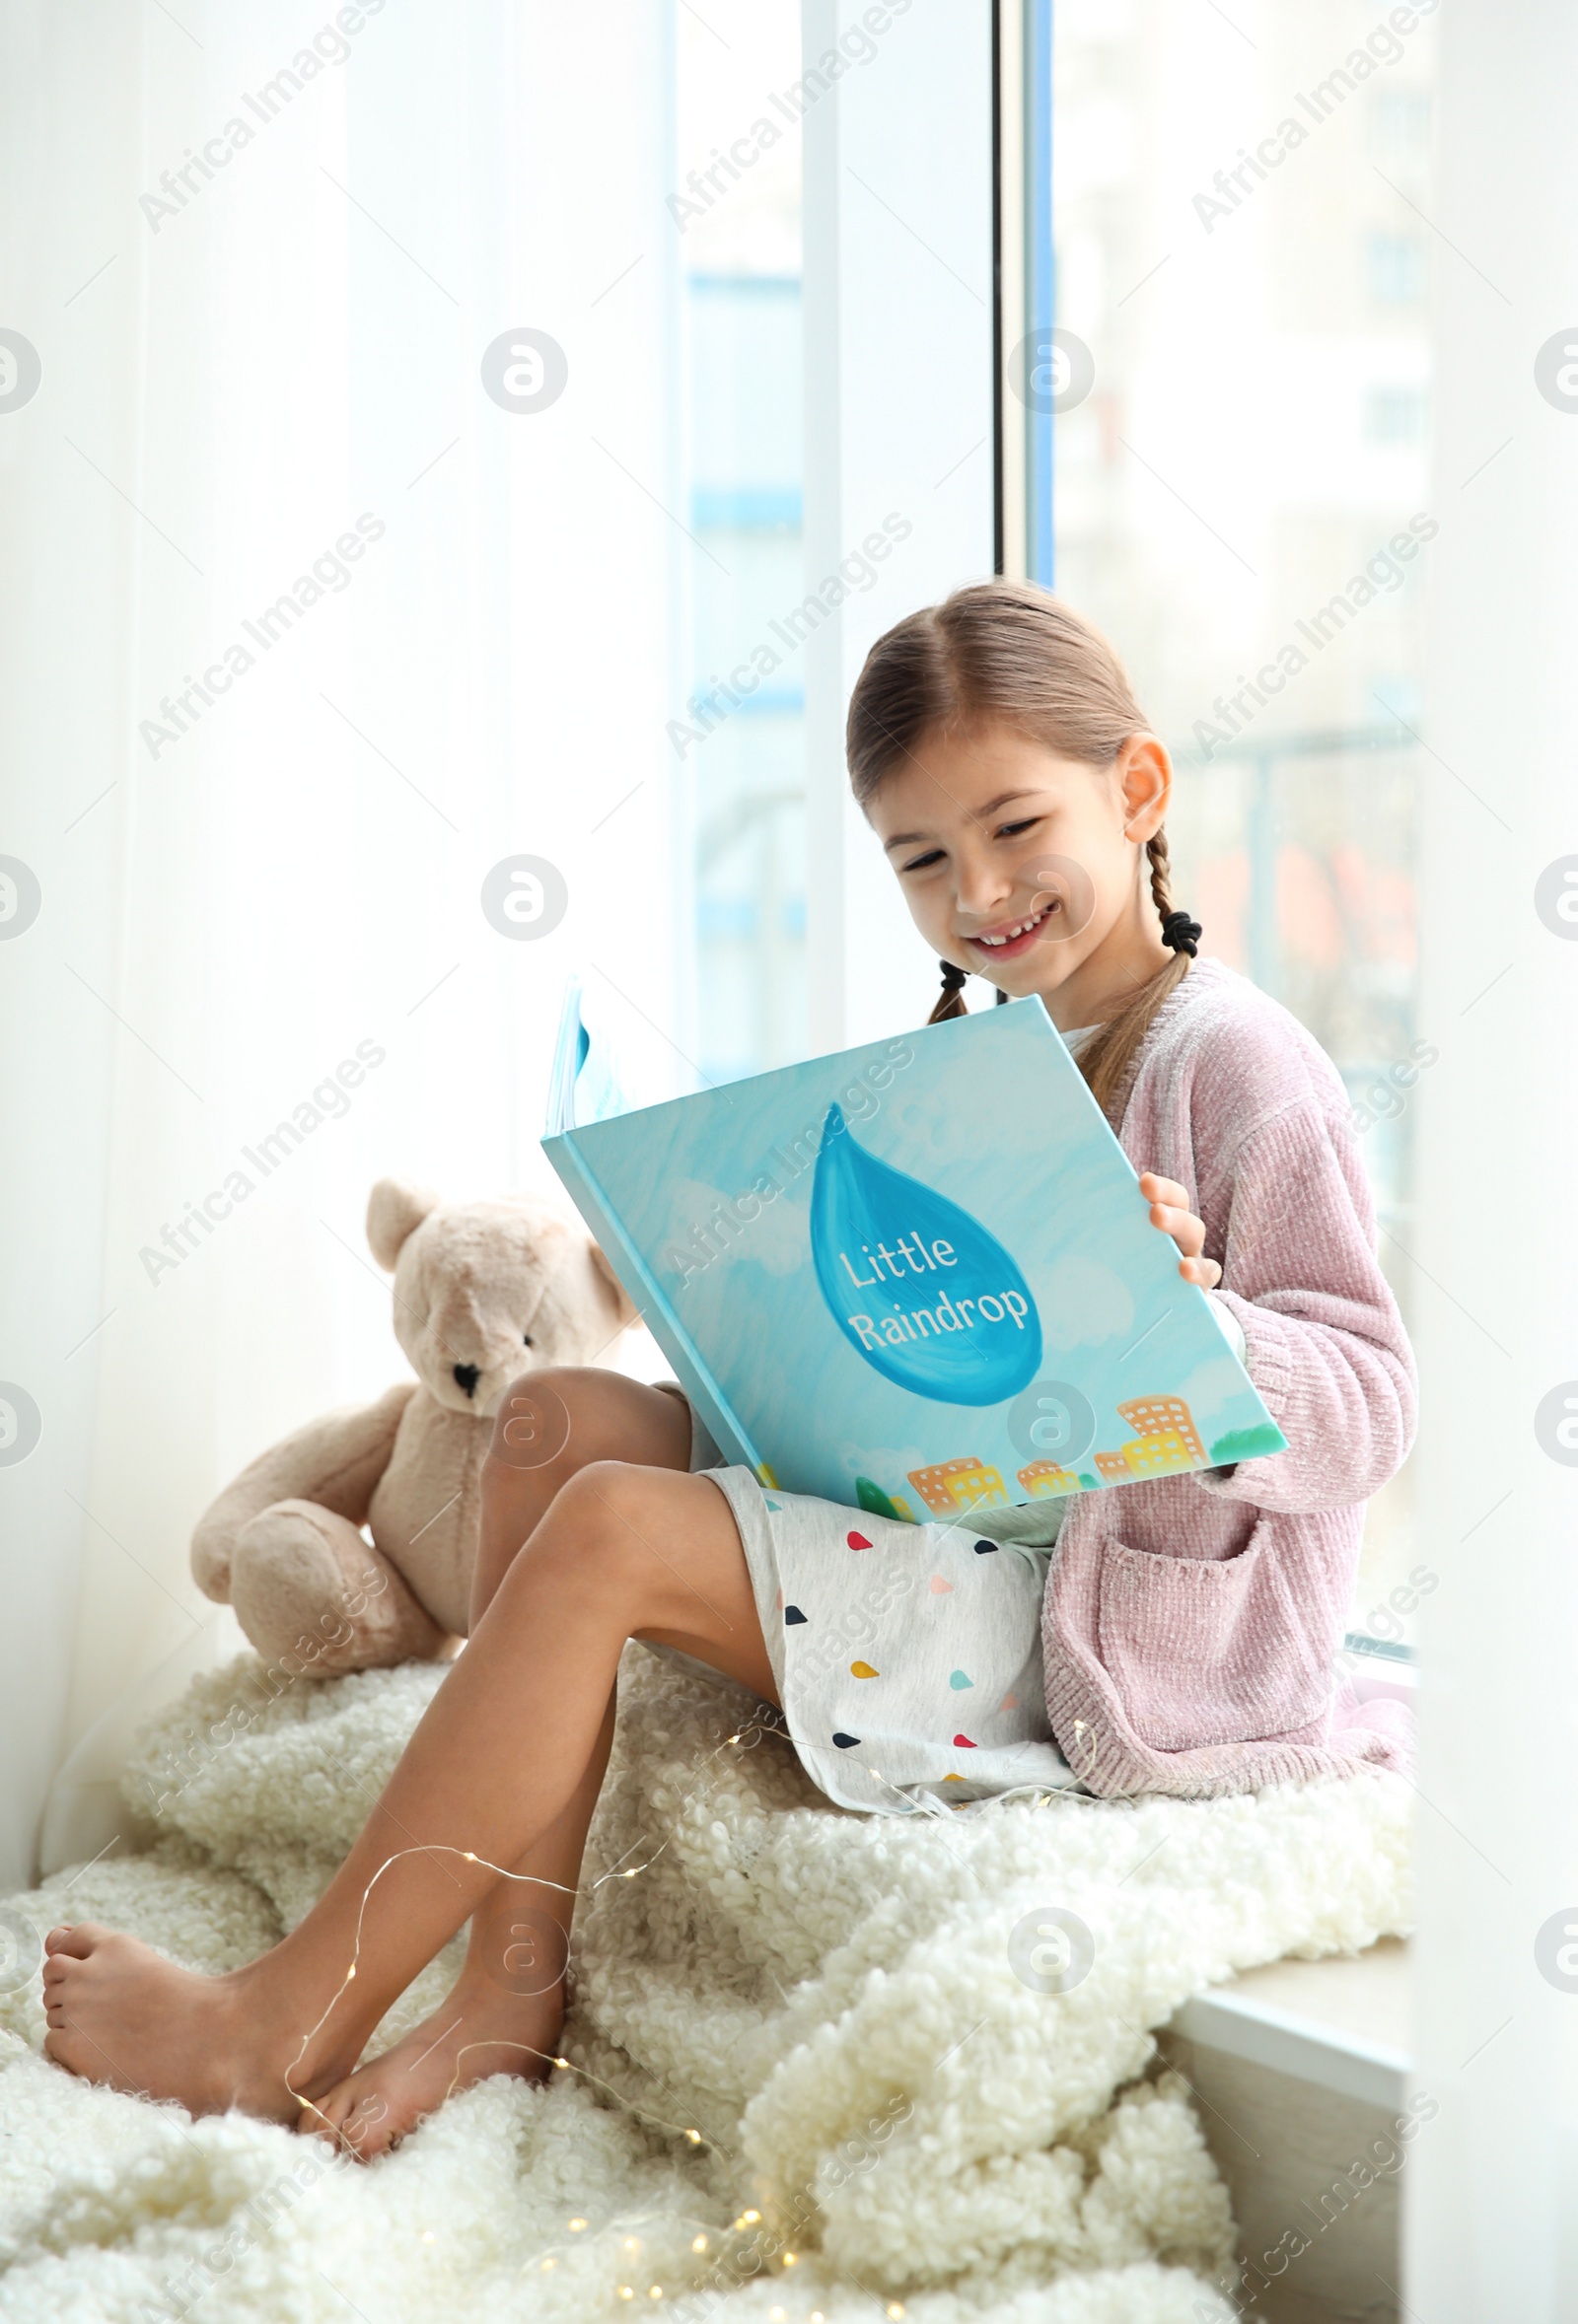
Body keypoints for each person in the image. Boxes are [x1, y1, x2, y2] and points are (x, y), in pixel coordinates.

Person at [42, 580, 1414, 2154]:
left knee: (620, 1531)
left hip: (1086, 1620)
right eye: (920, 858)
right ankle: (507, 1990)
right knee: (555, 1423)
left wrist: (1203, 1328)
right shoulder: (989, 1064)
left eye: (1017, 825)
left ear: (1140, 790)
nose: (978, 887)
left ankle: (288, 2011)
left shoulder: (1238, 1063)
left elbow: (1373, 1398)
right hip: (948, 1514)